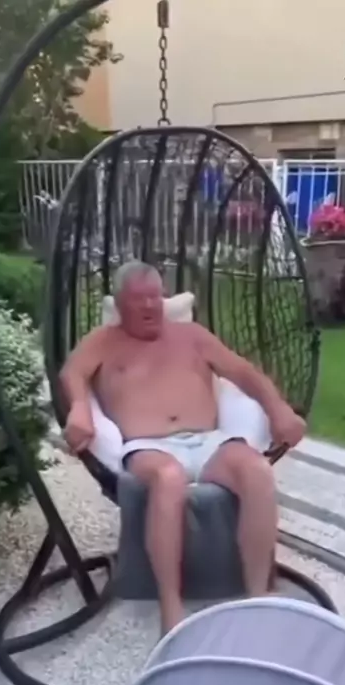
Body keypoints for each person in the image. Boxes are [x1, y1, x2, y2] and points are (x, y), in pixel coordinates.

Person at [60, 261, 306, 633]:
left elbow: (243, 372)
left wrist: (279, 409)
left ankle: (259, 595)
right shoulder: (104, 341)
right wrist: (80, 408)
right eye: (138, 299)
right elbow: (71, 373)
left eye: (154, 297)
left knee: (256, 472)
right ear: (120, 304)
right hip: (148, 446)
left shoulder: (191, 335)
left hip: (209, 442)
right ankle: (171, 607)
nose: (149, 306)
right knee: (169, 479)